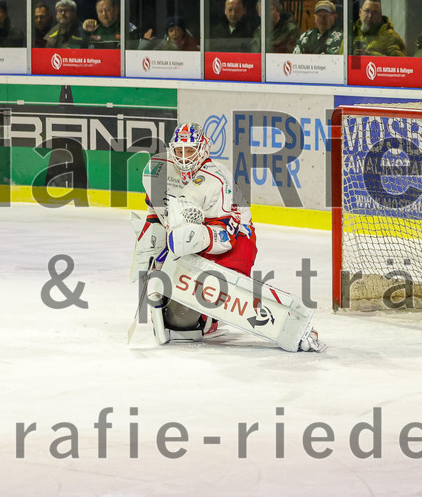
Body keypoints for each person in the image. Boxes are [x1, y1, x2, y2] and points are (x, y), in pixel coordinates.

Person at [131, 122, 322, 351]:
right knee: (178, 314)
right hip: (189, 233)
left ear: (203, 150)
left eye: (190, 150)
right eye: (179, 150)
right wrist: (156, 254)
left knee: (212, 292)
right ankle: (191, 306)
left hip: (234, 236)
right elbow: (156, 214)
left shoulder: (218, 179)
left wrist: (197, 238)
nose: (183, 157)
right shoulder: (157, 168)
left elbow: (226, 236)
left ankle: (224, 317)